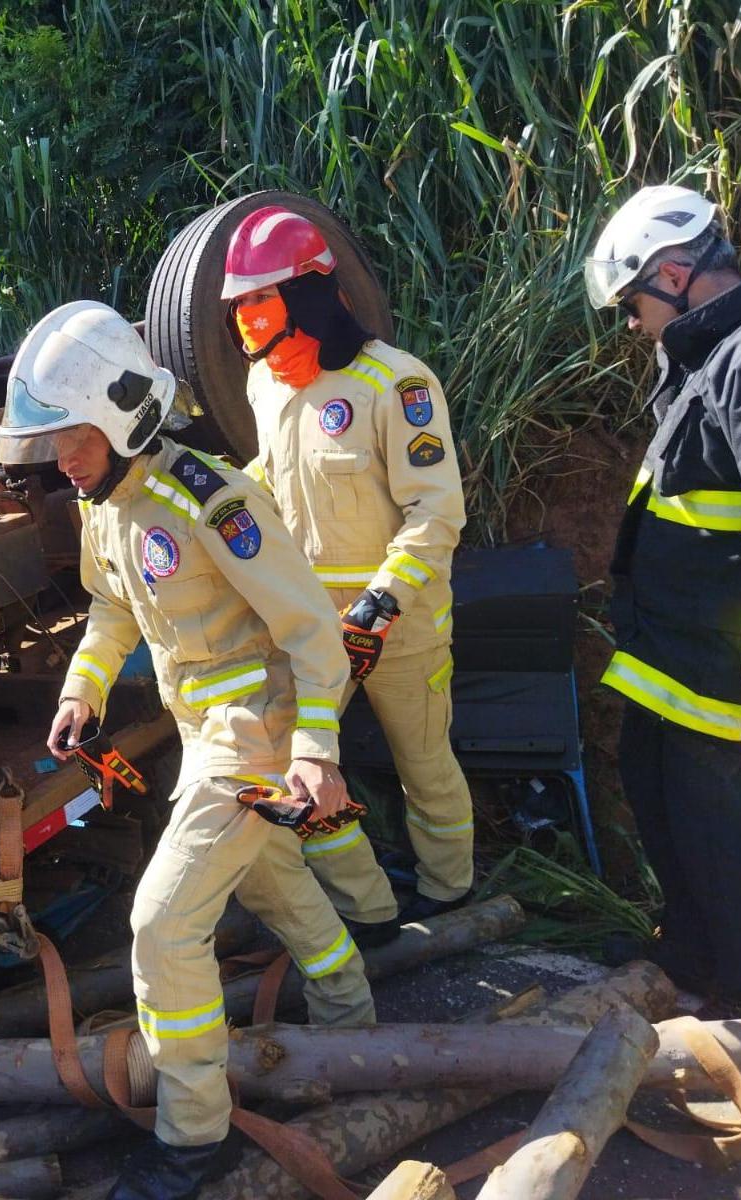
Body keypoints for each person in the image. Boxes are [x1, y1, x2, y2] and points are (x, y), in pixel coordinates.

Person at [0, 301, 374, 1200]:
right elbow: (113, 607)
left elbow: (315, 633)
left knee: (162, 927)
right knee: (271, 878)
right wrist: (82, 689)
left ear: (124, 416)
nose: (63, 458)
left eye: (75, 437)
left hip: (256, 733)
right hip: (204, 734)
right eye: (53, 441)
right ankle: (354, 1019)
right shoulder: (106, 507)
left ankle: (191, 1134)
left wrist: (314, 748)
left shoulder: (214, 502)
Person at [585, 184, 741, 1016]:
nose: (630, 321)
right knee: (663, 805)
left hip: (726, 672)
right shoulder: (710, 364)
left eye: (633, 300)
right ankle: (691, 958)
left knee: (720, 834)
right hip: (674, 662)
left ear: (678, 273)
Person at [219, 206, 474, 935]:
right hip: (311, 630)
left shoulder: (396, 385)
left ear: (304, 293)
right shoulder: (266, 384)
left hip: (400, 625)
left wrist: (382, 602)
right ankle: (369, 907)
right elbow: (274, 477)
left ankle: (450, 892)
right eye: (238, 304)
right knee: (298, 771)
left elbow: (437, 512)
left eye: (259, 299)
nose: (245, 318)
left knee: (422, 766)